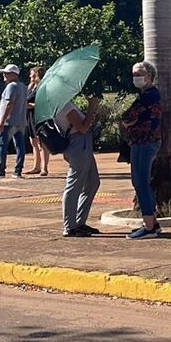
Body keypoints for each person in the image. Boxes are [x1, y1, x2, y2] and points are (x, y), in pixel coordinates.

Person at [122, 61, 162, 238]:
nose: (135, 77)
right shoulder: (149, 95)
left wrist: (129, 121)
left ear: (149, 76)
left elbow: (128, 115)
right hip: (143, 141)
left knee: (140, 182)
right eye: (134, 74)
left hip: (144, 142)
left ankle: (148, 226)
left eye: (139, 74)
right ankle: (152, 221)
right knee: (141, 182)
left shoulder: (148, 96)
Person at [55, 93, 101, 237]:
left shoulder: (63, 103)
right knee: (74, 186)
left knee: (92, 182)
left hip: (82, 145)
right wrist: (92, 106)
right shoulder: (63, 105)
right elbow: (82, 128)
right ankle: (70, 226)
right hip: (78, 145)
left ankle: (79, 222)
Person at [0, 64, 28, 179]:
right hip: (21, 121)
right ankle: (18, 170)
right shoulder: (23, 87)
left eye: (7, 73)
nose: (4, 75)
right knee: (20, 146)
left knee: (1, 145)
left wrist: (1, 121)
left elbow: (10, 103)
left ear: (14, 74)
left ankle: (0, 170)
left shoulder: (12, 86)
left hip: (10, 122)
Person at [26, 64, 49, 177]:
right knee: (33, 141)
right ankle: (36, 167)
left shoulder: (43, 87)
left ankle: (44, 168)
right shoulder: (31, 87)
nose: (30, 76)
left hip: (39, 116)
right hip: (30, 116)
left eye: (32, 74)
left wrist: (32, 105)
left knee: (42, 143)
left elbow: (45, 103)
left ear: (37, 75)